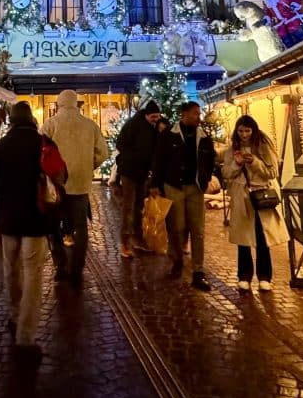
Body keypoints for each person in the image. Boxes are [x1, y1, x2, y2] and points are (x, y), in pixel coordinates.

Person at [0, 101, 52, 359]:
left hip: (9, 218)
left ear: (11, 120)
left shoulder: (0, 147)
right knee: (33, 274)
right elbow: (58, 177)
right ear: (31, 118)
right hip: (36, 218)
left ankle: (14, 314)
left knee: (10, 268)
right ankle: (26, 335)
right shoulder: (43, 142)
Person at [42, 89, 109, 288]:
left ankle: (61, 266)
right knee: (81, 228)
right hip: (80, 184)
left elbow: (41, 152)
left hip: (57, 184)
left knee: (55, 227)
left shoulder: (50, 124)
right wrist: (90, 165)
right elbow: (103, 153)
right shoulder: (90, 125)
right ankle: (77, 269)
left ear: (59, 104)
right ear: (76, 103)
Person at [150, 101, 216, 292]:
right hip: (174, 186)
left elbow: (210, 158)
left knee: (198, 229)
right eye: (195, 113)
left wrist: (205, 178)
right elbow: (159, 160)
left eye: (199, 113)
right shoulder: (168, 135)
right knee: (176, 227)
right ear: (184, 114)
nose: (198, 117)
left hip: (195, 187)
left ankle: (198, 271)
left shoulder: (203, 137)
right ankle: (177, 260)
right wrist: (155, 183)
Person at [220, 115, 288, 292]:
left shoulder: (264, 147)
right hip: (241, 197)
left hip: (260, 195)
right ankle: (244, 277)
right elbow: (226, 172)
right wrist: (237, 163)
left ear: (253, 130)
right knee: (243, 239)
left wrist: (255, 162)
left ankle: (265, 277)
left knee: (261, 237)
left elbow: (272, 172)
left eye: (247, 131)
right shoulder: (232, 150)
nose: (244, 135)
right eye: (241, 131)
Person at [115, 99, 161, 258]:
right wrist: (133, 158)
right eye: (153, 117)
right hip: (129, 171)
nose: (156, 120)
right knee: (129, 206)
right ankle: (126, 241)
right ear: (147, 115)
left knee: (139, 206)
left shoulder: (153, 126)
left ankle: (138, 238)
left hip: (141, 173)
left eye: (157, 117)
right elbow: (120, 143)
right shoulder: (134, 125)